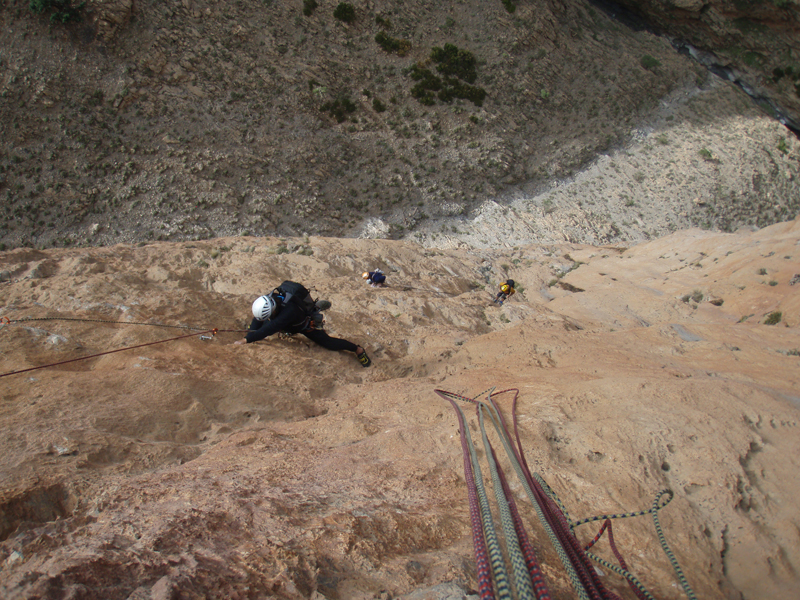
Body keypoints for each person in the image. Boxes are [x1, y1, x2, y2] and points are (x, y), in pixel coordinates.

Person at [233, 281, 371, 367]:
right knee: (260, 327)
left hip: (303, 324)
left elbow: (269, 329)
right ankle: (313, 307)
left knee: (328, 343)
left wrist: (246, 340)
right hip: (289, 322)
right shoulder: (268, 301)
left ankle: (358, 349)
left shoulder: (289, 311)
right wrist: (249, 335)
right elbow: (259, 318)